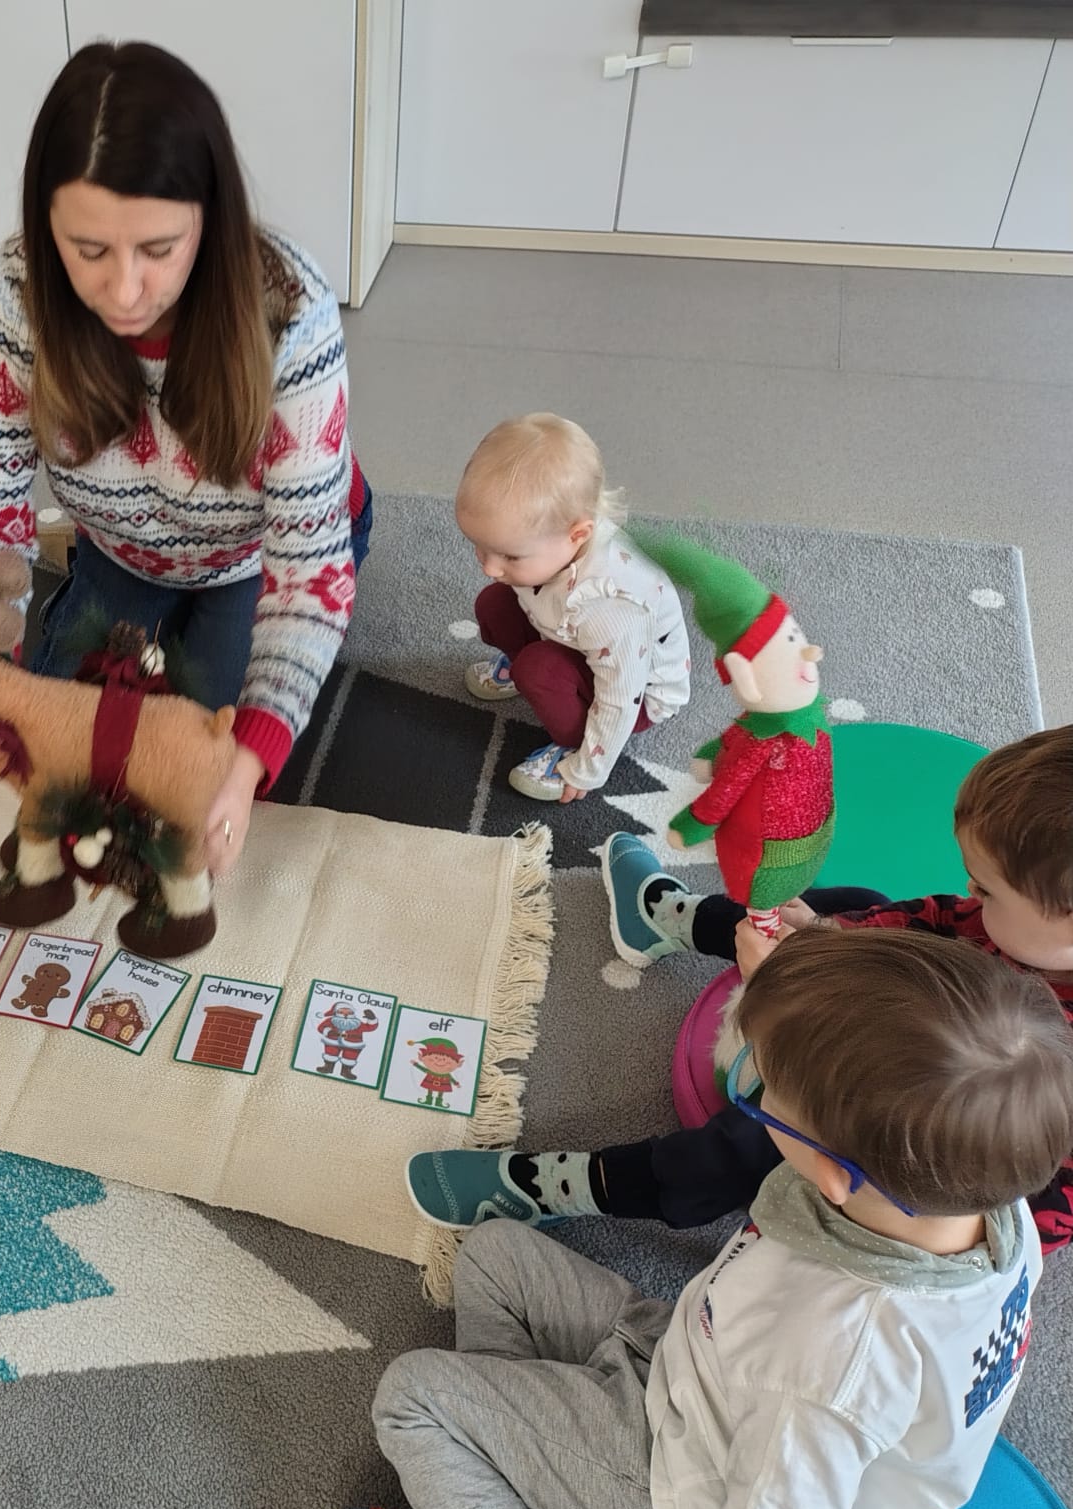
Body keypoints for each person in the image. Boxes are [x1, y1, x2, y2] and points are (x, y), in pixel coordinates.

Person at [342, 927, 1072, 1509]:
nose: (756, 1096)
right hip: (696, 1365)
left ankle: (514, 1478)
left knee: (414, 1397)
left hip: (674, 1486)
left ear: (834, 1173)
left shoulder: (827, 1366)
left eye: (765, 1094)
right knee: (494, 1254)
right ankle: (520, 1472)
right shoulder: (983, 1198)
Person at [0, 41, 372, 876]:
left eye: (160, 249)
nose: (126, 291)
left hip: (261, 559)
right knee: (57, 741)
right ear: (44, 224)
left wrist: (244, 764)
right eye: (89, 250)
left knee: (191, 772)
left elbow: (307, 574)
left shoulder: (291, 311)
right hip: (121, 549)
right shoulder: (13, 296)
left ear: (210, 219)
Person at [405, 725, 1073, 1247]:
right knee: (859, 902)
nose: (967, 891)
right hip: (908, 1012)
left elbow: (991, 1194)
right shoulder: (1020, 931)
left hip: (898, 1137)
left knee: (747, 1145)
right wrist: (829, 934)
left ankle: (575, 1187)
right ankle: (670, 921)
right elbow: (937, 923)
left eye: (987, 889)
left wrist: (794, 983)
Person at [456, 414, 690, 803]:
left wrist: (588, 769)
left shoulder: (612, 607)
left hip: (637, 693)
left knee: (538, 669)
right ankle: (534, 668)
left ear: (577, 535)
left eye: (510, 556)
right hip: (572, 632)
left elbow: (620, 698)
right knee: (494, 602)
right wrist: (514, 567)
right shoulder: (551, 543)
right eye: (480, 547)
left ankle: (571, 740)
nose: (490, 567)